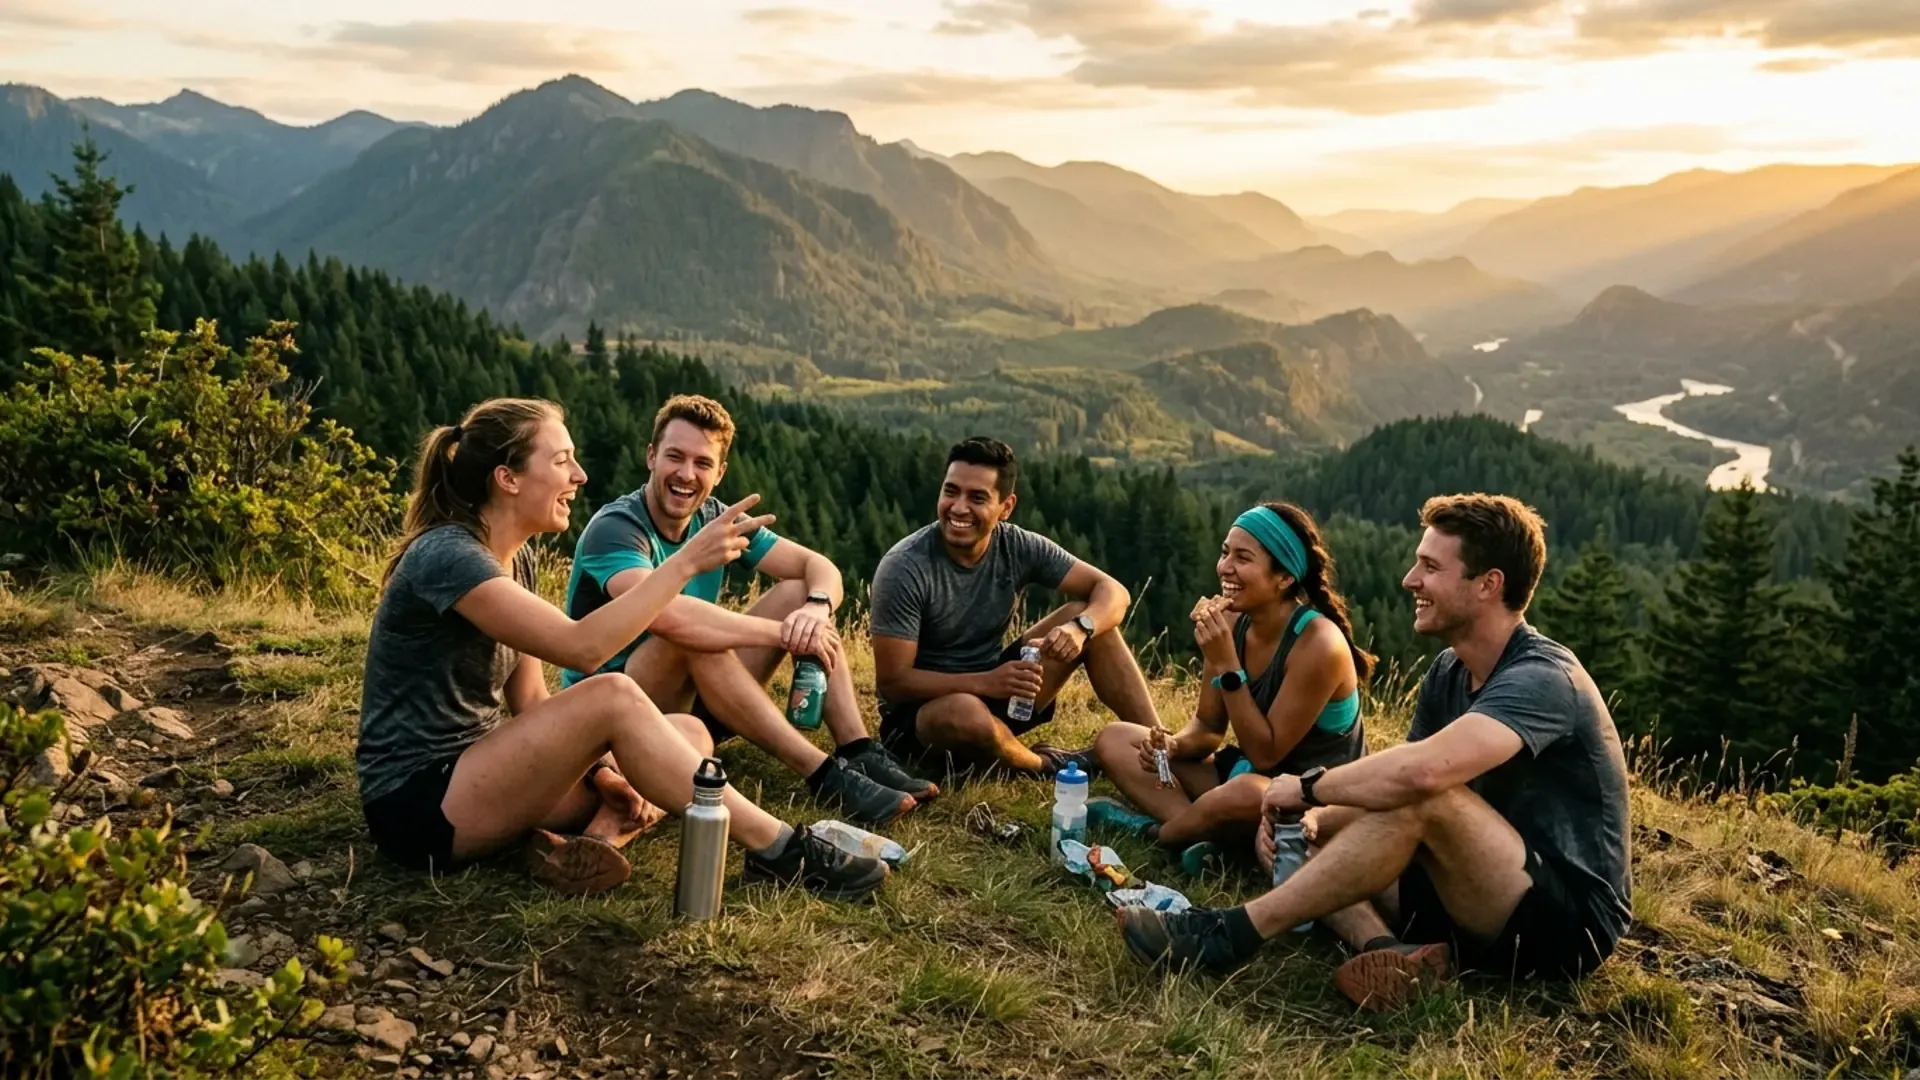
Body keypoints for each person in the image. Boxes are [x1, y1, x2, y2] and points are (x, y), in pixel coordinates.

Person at [356, 397, 889, 902]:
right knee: (613, 693)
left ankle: (595, 839)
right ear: (508, 478)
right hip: (420, 804)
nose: (579, 475)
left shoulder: (513, 560)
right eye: (563, 461)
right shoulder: (449, 556)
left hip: (481, 773)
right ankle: (782, 849)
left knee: (690, 733)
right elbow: (582, 649)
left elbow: (534, 703)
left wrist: (602, 773)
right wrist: (684, 563)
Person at [1118, 494, 1631, 1011]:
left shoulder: (1543, 678)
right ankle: (1394, 953)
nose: (1410, 580)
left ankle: (1232, 932)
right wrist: (1313, 818)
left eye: (1430, 567)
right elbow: (1389, 795)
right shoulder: (1448, 673)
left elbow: (1422, 775)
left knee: (1423, 793)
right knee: (1315, 829)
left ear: (1487, 584)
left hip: (1564, 923)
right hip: (1463, 889)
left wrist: (1307, 788)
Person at [561, 394, 930, 828]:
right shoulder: (618, 528)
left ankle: (858, 750)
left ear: (719, 474)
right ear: (651, 457)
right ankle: (823, 774)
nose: (685, 474)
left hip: (691, 701)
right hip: (613, 705)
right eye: (674, 457)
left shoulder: (717, 519)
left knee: (798, 592)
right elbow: (667, 617)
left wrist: (813, 610)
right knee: (688, 634)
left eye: (702, 463)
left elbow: (820, 567)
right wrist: (779, 635)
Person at [1087, 503, 1370, 864]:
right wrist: (1173, 747)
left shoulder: (1318, 644)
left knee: (1245, 794)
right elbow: (1208, 727)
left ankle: (1155, 835)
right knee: (1115, 739)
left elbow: (1266, 752)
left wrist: (1227, 663)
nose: (1225, 568)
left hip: (1311, 803)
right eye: (1225, 553)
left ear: (1284, 578)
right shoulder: (1232, 621)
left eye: (1243, 558)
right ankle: (1203, 836)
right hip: (1249, 778)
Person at [870, 436, 1162, 778]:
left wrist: (1079, 629)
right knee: (964, 710)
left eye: (977, 497)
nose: (959, 508)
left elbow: (1112, 591)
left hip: (1000, 690)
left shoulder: (1017, 544)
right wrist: (985, 682)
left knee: (1086, 615)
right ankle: (1043, 765)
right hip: (923, 720)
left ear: (1005, 507)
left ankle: (1160, 748)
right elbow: (894, 683)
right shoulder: (905, 567)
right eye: (951, 492)